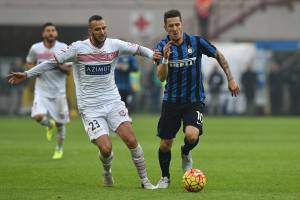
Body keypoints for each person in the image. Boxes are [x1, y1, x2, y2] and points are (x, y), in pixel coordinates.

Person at [7, 15, 161, 189]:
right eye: (97, 29)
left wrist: (153, 56)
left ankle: (145, 181)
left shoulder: (114, 45)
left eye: (104, 28)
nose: (102, 32)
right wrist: (27, 74)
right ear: (90, 31)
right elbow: (51, 63)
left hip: (112, 101)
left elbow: (139, 49)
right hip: (90, 107)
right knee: (106, 149)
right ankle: (107, 171)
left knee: (131, 140)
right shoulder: (78, 48)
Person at [154, 9, 239, 188]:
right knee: (165, 144)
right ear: (165, 27)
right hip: (171, 101)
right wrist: (166, 60)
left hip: (194, 100)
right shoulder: (162, 47)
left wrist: (230, 78)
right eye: (171, 26)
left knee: (192, 136)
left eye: (177, 24)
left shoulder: (196, 42)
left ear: (182, 24)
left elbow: (218, 55)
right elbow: (161, 77)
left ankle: (185, 152)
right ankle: (165, 177)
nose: (175, 28)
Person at [26, 22, 71, 159]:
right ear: (43, 34)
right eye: (48, 30)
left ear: (56, 33)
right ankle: (48, 124)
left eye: (53, 30)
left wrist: (57, 65)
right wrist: (34, 71)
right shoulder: (36, 48)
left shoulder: (63, 48)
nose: (50, 33)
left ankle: (59, 148)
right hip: (41, 91)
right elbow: (29, 62)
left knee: (60, 124)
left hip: (59, 93)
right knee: (37, 116)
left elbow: (68, 70)